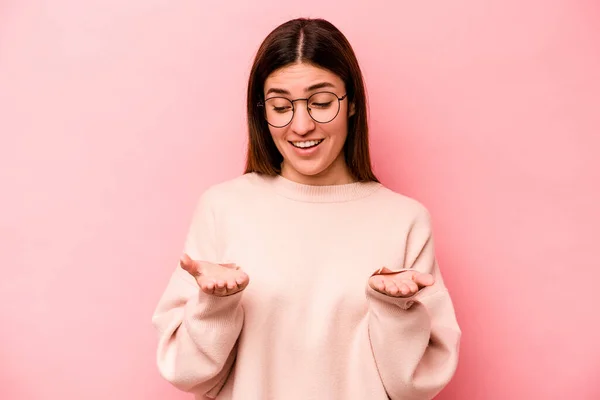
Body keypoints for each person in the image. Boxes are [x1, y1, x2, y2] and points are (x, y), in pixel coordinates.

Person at [151, 17, 461, 400]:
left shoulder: (404, 220)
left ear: (352, 104)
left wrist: (395, 309)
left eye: (321, 103)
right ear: (262, 111)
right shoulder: (223, 208)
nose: (301, 125)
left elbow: (414, 385)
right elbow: (188, 374)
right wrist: (215, 304)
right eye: (281, 106)